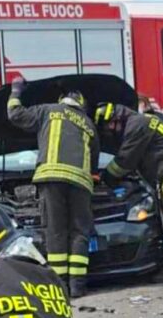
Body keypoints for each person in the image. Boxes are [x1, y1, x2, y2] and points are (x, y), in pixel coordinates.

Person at [7, 77, 99, 299]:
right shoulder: (88, 124)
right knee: (79, 232)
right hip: (80, 183)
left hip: (51, 179)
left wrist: (16, 91)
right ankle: (77, 286)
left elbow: (15, 114)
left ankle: (59, 286)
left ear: (62, 100)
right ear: (82, 104)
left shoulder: (47, 111)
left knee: (56, 231)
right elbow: (94, 165)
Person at [95, 102, 163, 283]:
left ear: (116, 118)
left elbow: (125, 161)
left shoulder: (136, 125)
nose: (110, 130)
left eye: (110, 125)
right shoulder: (136, 123)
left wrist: (105, 179)